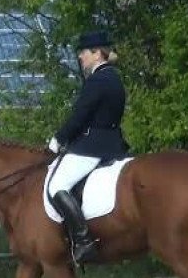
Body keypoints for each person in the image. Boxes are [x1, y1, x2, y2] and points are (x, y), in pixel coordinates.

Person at [47, 30, 129, 263]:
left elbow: (80, 116)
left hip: (93, 146)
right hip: (114, 143)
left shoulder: (97, 81)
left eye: (83, 52)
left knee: (57, 186)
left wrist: (59, 139)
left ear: (96, 53)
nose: (80, 57)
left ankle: (83, 241)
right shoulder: (114, 78)